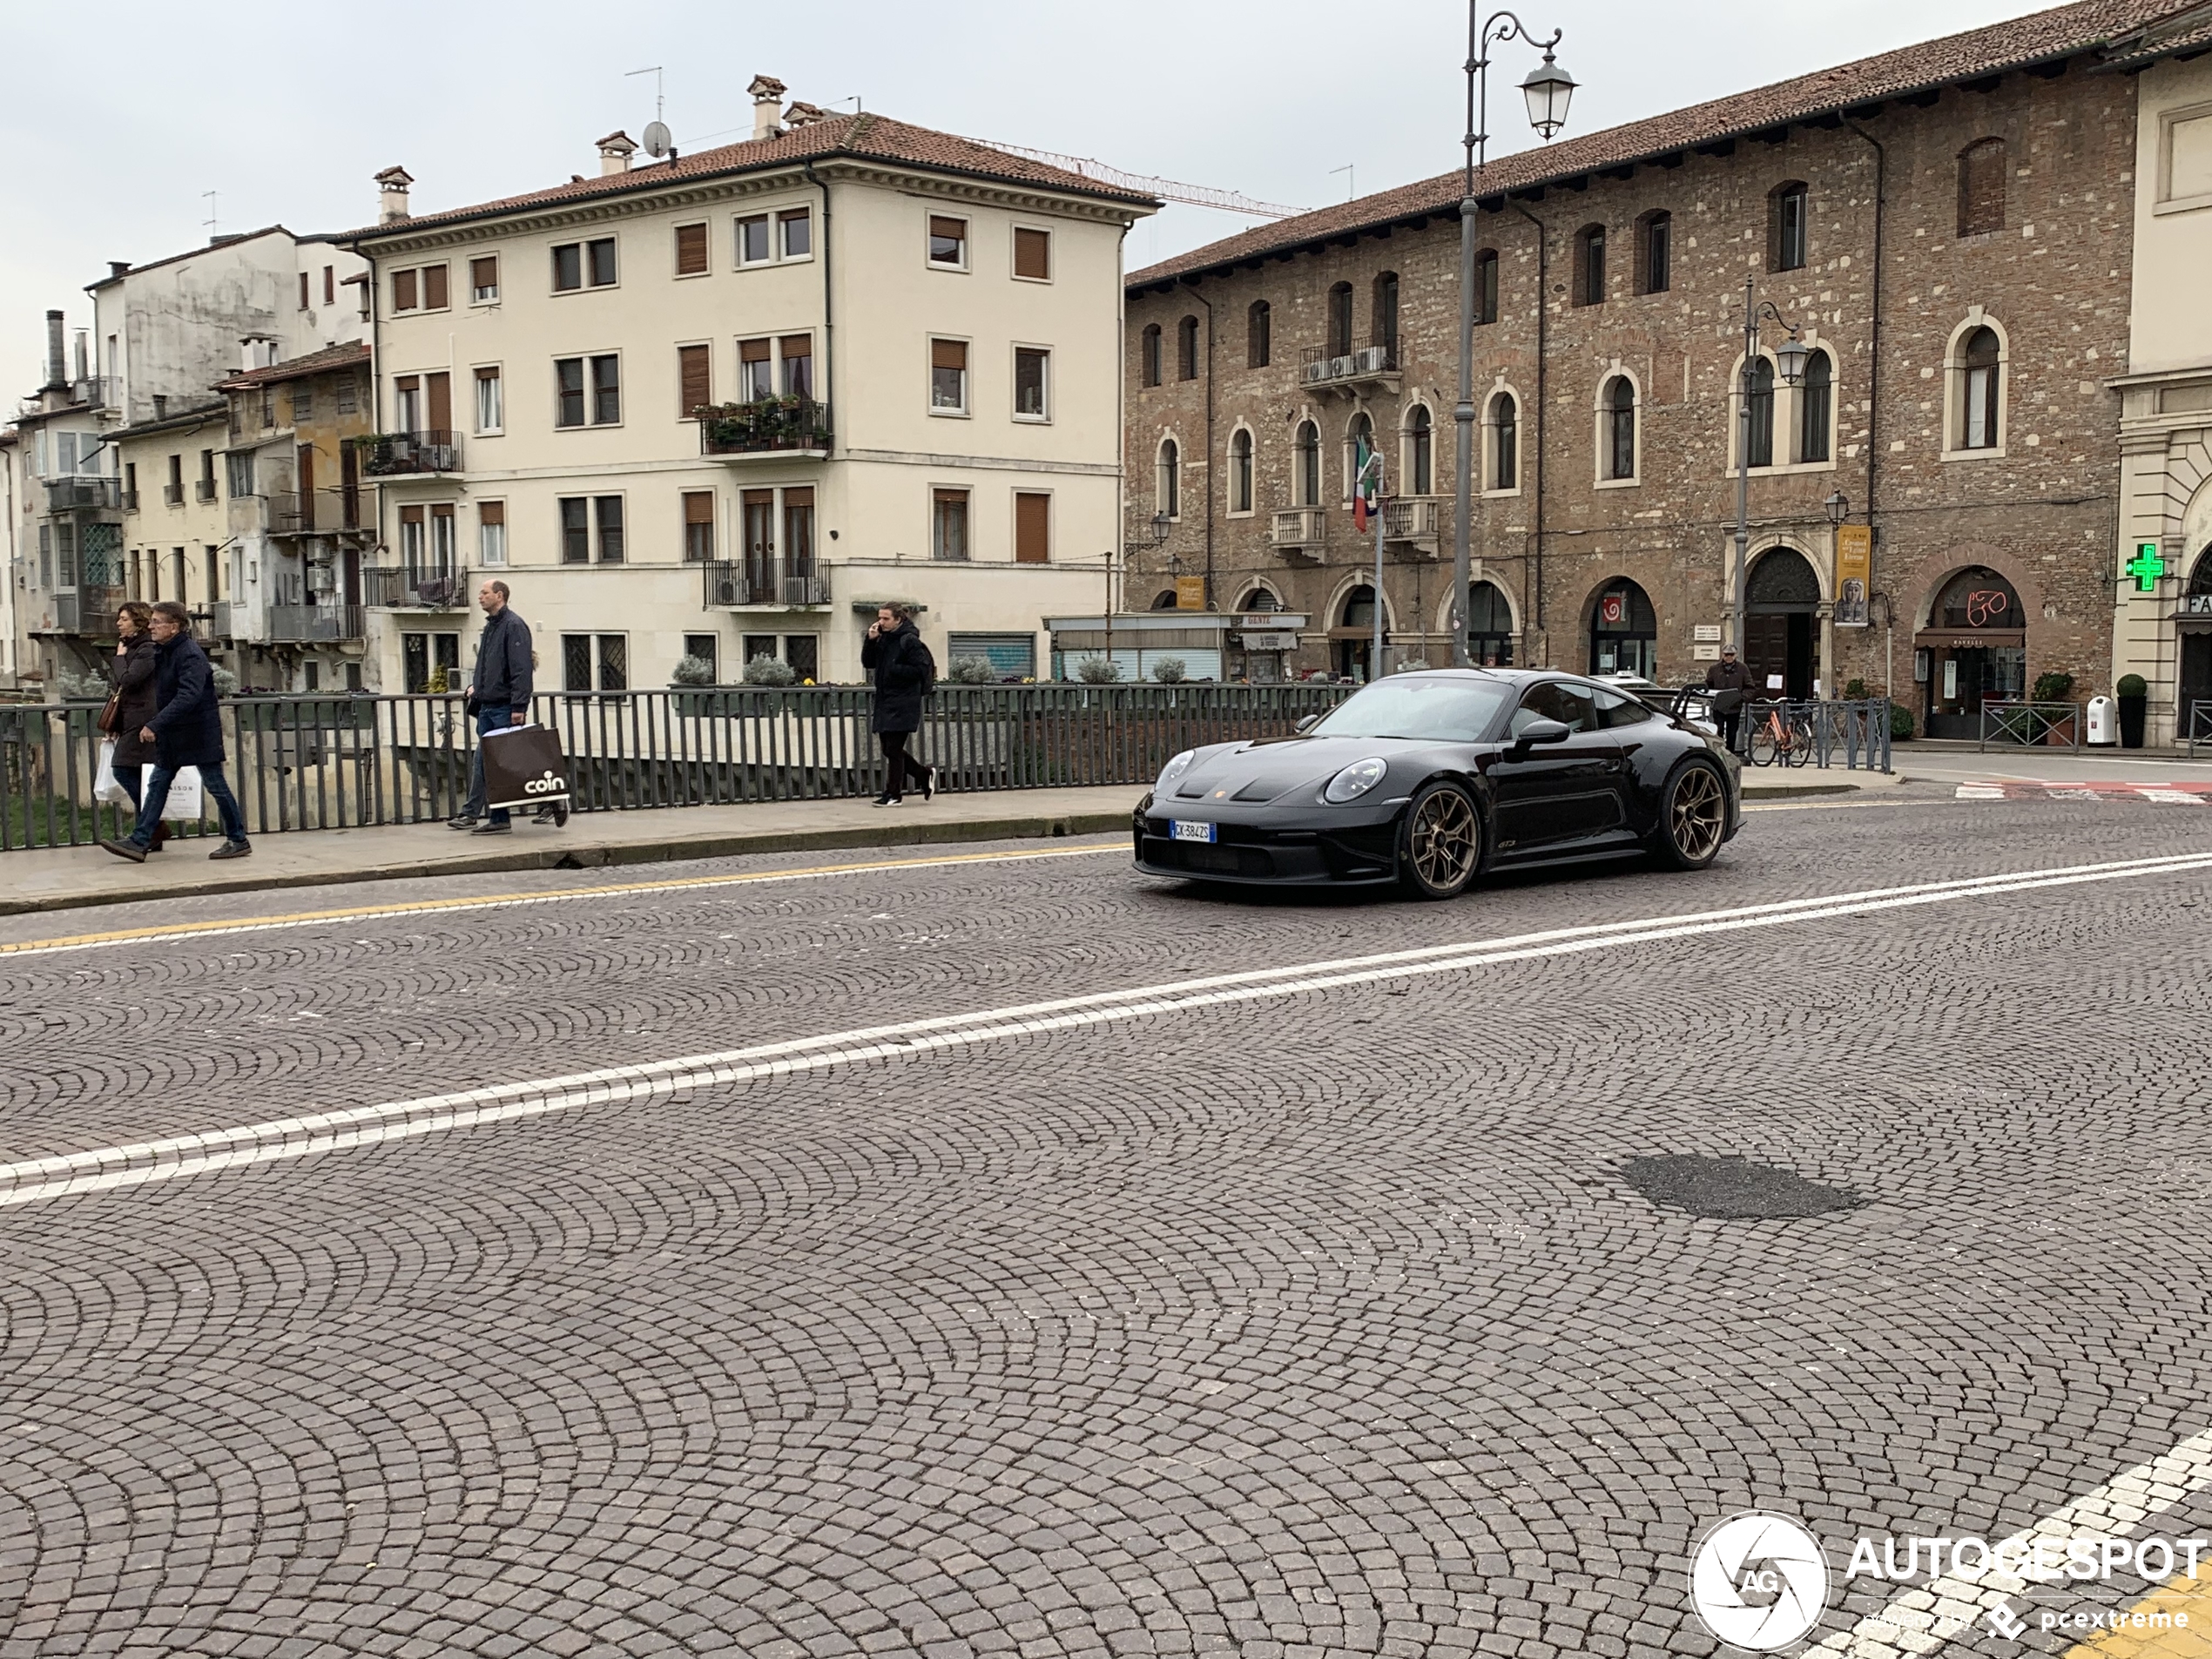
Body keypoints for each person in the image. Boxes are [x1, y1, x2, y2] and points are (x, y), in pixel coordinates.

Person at [98, 600, 251, 861]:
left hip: (197, 732)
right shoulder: (164, 650)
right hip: (174, 733)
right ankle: (141, 840)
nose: (152, 626)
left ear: (175, 627)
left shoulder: (190, 654)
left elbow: (188, 696)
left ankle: (238, 839)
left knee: (216, 785)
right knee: (157, 784)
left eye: (157, 622)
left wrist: (155, 724)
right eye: (152, 621)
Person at [448, 578, 552, 834]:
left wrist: (519, 706)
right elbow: (487, 664)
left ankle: (479, 814)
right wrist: (477, 688)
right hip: (488, 705)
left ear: (499, 596)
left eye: (485, 593)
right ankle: (504, 814)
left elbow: (520, 669)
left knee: (499, 761)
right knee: (498, 762)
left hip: (504, 707)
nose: (480, 597)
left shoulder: (513, 626)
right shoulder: (494, 626)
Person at [103, 601, 165, 852]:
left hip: (143, 719)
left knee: (122, 768)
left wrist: (119, 659)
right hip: (132, 718)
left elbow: (128, 680)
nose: (119, 623)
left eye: (124, 619)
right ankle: (151, 831)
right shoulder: (133, 647)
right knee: (137, 773)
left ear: (138, 621)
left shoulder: (147, 648)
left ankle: (152, 826)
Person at [860, 603, 934, 806]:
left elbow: (921, 670)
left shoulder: (908, 639)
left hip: (904, 700)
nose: (880, 622)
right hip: (885, 699)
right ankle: (923, 774)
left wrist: (895, 669)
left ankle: (893, 794)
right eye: (880, 618)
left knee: (893, 749)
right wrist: (871, 640)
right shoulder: (883, 638)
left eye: (886, 619)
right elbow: (868, 663)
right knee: (888, 749)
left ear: (898, 620)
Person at [1705, 644, 1757, 753]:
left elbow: (1750, 687)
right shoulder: (1714, 669)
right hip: (1719, 706)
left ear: (1735, 655)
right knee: (1718, 732)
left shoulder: (1742, 669)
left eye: (1731, 654)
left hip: (1734, 707)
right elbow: (1707, 685)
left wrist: (1740, 698)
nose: (1729, 657)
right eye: (1726, 654)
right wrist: (1710, 697)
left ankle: (1730, 756)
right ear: (1722, 655)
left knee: (1732, 733)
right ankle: (1718, 755)